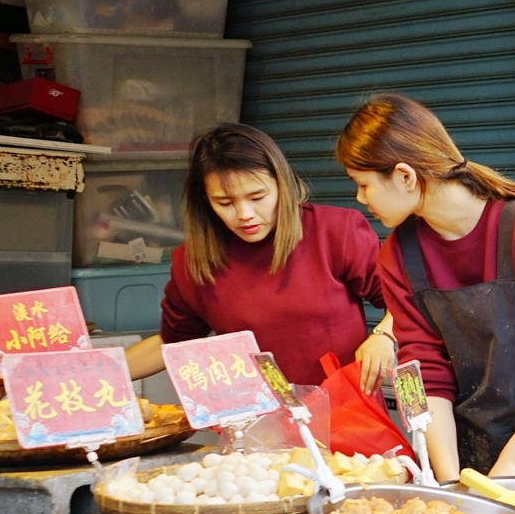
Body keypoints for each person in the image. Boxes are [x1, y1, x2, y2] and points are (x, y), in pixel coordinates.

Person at [336, 94, 515, 480]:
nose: (360, 199)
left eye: (362, 184)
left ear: (404, 176)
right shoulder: (397, 257)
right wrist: (451, 482)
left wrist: (512, 464)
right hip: (474, 453)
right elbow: (425, 372)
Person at [123, 123, 394, 391]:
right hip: (257, 425)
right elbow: (172, 344)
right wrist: (97, 376)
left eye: (257, 197)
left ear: (281, 185)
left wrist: (383, 337)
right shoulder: (193, 262)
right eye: (225, 203)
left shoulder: (335, 232)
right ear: (205, 201)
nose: (244, 214)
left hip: (347, 415)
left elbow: (402, 300)